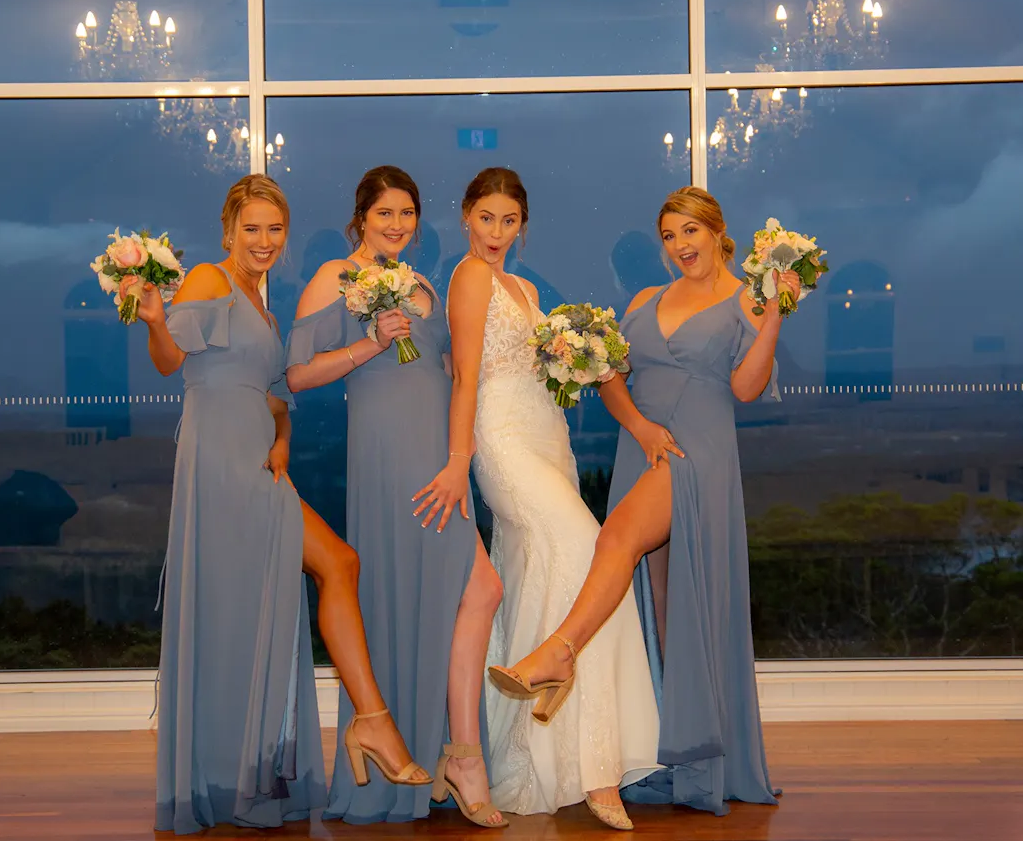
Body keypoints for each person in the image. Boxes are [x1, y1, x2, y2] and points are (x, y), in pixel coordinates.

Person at [124, 174, 429, 833]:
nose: (264, 241)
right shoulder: (207, 279)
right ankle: (371, 724)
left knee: (251, 609)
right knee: (337, 563)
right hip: (219, 464)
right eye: (252, 228)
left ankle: (248, 774)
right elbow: (170, 360)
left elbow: (275, 398)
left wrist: (284, 440)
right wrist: (152, 319)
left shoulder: (263, 311)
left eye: (275, 229)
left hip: (260, 461)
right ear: (229, 230)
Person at [497, 186, 793, 815]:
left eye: (690, 230)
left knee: (615, 540)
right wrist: (640, 428)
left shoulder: (746, 298)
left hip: (694, 453)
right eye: (669, 235)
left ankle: (559, 652)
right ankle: (678, 756)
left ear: (717, 232)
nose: (680, 244)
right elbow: (611, 378)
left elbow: (746, 388)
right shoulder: (644, 301)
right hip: (645, 448)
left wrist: (772, 318)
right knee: (660, 610)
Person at [413, 167, 659, 830]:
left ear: (523, 226)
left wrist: (585, 361)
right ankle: (593, 766)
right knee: (587, 550)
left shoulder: (523, 289)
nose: (496, 232)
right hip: (501, 442)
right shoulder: (469, 277)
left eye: (509, 220)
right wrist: (458, 463)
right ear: (466, 216)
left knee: (551, 575)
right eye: (486, 217)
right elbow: (465, 377)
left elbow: (542, 373)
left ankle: (563, 757)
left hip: (549, 439)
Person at [286, 165, 505, 827]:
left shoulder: (422, 282)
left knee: (456, 593)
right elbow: (298, 373)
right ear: (361, 218)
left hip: (440, 452)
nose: (397, 224)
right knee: (476, 587)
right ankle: (454, 760)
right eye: (384, 213)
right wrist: (368, 344)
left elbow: (450, 369)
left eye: (407, 213)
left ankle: (444, 757)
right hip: (392, 453)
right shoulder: (336, 275)